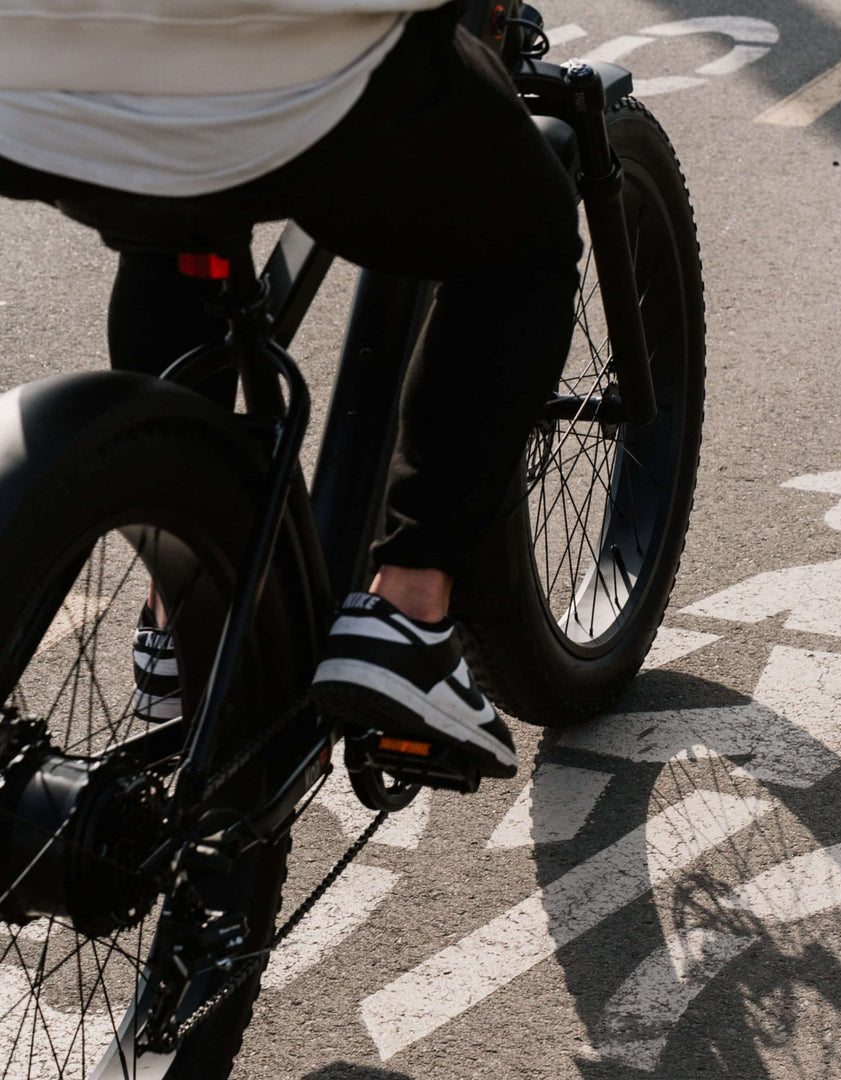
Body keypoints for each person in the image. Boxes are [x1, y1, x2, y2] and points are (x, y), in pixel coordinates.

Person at [0, 0, 583, 782]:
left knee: (167, 197)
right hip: (274, 76)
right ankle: (409, 610)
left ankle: (180, 616)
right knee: (524, 236)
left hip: (22, 89)